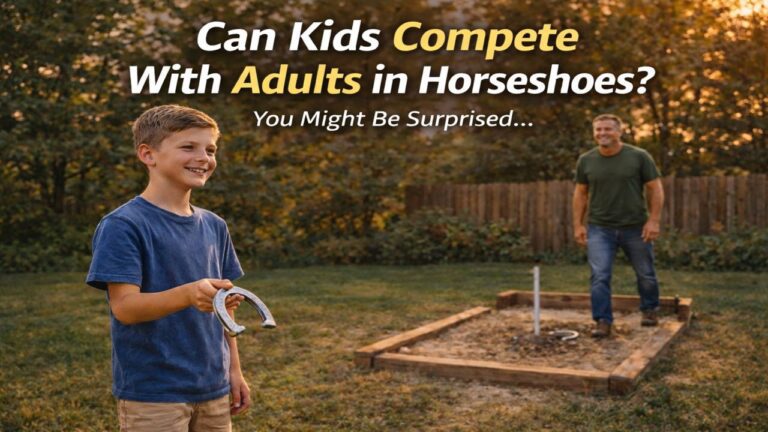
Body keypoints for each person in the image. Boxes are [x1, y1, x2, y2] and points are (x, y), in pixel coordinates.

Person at [87, 105, 250, 431]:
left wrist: (234, 369)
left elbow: (224, 310)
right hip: (153, 392)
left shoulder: (215, 225)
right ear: (148, 154)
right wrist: (189, 294)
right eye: (188, 147)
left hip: (213, 385)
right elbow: (125, 308)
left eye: (210, 149)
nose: (204, 157)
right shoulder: (124, 225)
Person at [572, 113, 665, 338]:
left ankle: (649, 309)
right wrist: (578, 225)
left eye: (607, 129)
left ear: (619, 132)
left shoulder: (639, 157)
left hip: (635, 227)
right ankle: (602, 321)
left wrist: (653, 220)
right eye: (598, 130)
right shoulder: (586, 160)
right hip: (599, 228)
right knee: (600, 275)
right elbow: (580, 194)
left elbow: (655, 188)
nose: (602, 133)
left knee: (645, 273)